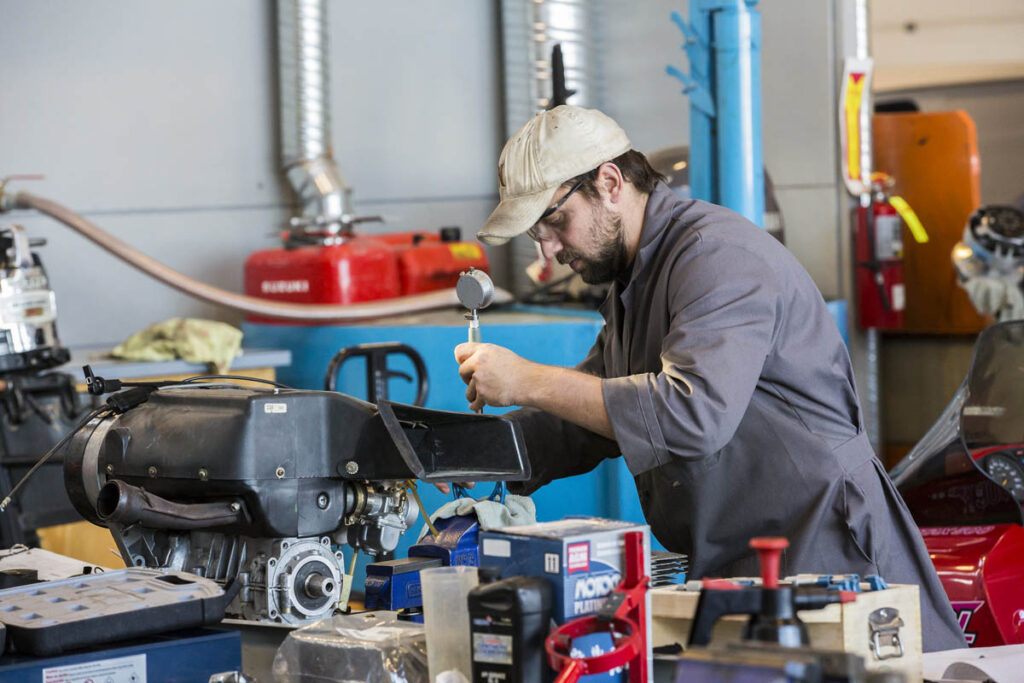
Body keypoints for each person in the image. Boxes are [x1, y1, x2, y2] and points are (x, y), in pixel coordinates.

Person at [455, 105, 965, 651]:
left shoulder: (715, 257)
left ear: (608, 183)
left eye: (554, 222)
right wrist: (462, 453)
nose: (549, 250)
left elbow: (688, 413)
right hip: (744, 566)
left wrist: (525, 379)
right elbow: (590, 417)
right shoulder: (638, 280)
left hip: (826, 557)